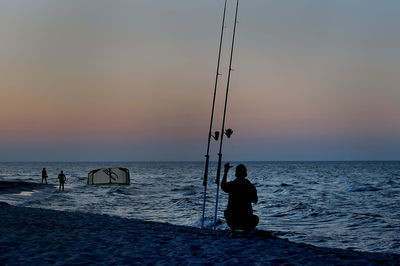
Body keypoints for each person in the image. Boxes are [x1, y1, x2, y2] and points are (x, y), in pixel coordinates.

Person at [221, 163, 259, 236]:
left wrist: (225, 172)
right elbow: (255, 201)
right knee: (255, 218)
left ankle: (233, 230)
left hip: (233, 220)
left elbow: (223, 186)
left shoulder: (232, 185)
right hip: (246, 221)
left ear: (236, 174)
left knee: (227, 212)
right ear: (245, 174)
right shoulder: (250, 186)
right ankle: (245, 232)